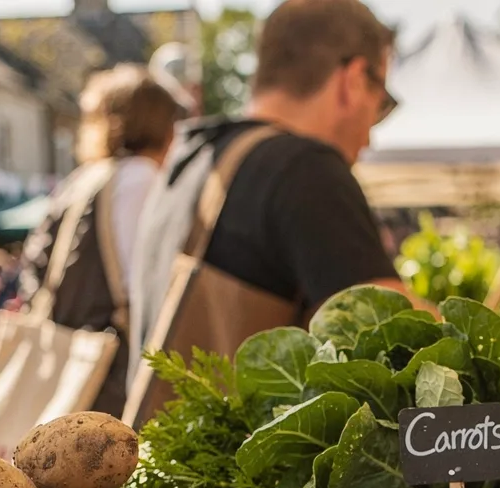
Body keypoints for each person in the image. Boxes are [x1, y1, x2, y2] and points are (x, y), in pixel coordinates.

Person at [127, 0, 407, 420]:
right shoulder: (303, 168)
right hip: (246, 482)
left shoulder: (191, 157)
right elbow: (399, 335)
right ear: (351, 80)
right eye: (381, 100)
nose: (372, 136)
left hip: (158, 472)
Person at [22, 64, 185, 415]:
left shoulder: (84, 179)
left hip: (69, 353)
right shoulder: (138, 178)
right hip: (109, 366)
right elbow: (137, 283)